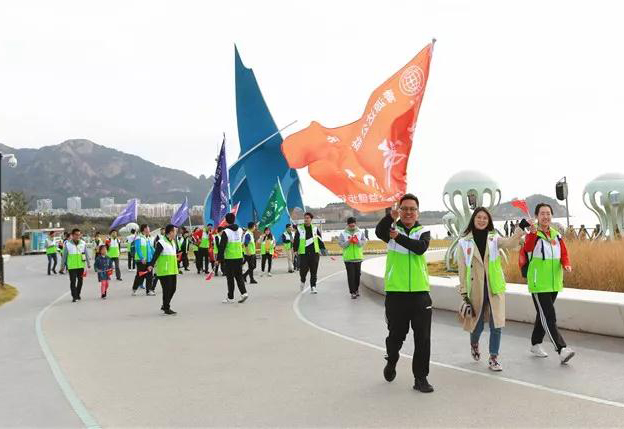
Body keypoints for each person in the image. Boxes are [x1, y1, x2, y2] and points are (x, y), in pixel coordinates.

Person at [375, 194, 433, 393]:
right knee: (395, 336)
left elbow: (419, 249)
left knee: (423, 339)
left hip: (420, 293)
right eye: (405, 209)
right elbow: (379, 231)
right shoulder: (390, 229)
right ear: (399, 211)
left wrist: (398, 237)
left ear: (418, 212)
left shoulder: (423, 231)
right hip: (396, 293)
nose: (409, 212)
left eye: (412, 209)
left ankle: (420, 378)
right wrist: (389, 218)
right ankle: (392, 360)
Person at [457, 207, 525, 372]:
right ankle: (474, 343)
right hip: (476, 289)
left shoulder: (493, 239)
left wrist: (520, 230)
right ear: (473, 219)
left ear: (489, 222)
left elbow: (510, 243)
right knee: (477, 326)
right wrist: (464, 292)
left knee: (497, 326)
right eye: (479, 217)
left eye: (485, 218)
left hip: (495, 287)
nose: (481, 220)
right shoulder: (464, 242)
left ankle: (493, 358)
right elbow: (462, 269)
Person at [523, 203, 575, 364]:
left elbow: (563, 252)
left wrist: (566, 263)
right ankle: (561, 349)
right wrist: (531, 232)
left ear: (551, 216)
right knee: (549, 316)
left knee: (543, 315)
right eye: (542, 214)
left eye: (548, 213)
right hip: (539, 283)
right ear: (537, 217)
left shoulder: (556, 235)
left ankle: (535, 344)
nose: (545, 216)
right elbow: (528, 247)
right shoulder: (533, 234)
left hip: (554, 282)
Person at [217, 213, 248, 304]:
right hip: (239, 256)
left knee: (230, 278)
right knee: (239, 276)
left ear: (226, 221)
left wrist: (219, 259)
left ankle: (230, 297)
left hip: (230, 258)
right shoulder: (240, 230)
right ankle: (244, 293)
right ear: (234, 220)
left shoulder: (225, 232)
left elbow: (222, 246)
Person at [148, 224, 179, 315]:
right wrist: (151, 265)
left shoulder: (172, 242)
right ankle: (166, 308)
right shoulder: (161, 242)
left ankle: (165, 304)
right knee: (167, 290)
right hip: (164, 270)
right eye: (175, 231)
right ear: (170, 232)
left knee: (173, 289)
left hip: (172, 270)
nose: (176, 233)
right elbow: (156, 255)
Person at [293, 213, 326, 294]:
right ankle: (302, 281)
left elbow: (319, 238)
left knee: (314, 271)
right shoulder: (300, 229)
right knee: (303, 271)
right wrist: (295, 250)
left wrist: (323, 248)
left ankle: (313, 286)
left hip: (314, 253)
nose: (306, 219)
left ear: (311, 219)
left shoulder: (315, 228)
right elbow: (296, 239)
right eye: (305, 218)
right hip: (303, 253)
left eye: (308, 218)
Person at [338, 217, 367, 299]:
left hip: (358, 257)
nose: (352, 227)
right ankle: (352, 292)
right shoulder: (343, 233)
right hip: (348, 258)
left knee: (357, 275)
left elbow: (364, 242)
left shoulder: (360, 232)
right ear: (347, 225)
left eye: (353, 225)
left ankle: (356, 289)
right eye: (350, 225)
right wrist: (349, 241)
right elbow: (340, 244)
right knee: (351, 276)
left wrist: (357, 241)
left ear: (355, 224)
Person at [59, 228, 91, 302]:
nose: (78, 236)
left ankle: (78, 294)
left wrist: (88, 263)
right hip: (72, 266)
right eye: (76, 235)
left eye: (79, 234)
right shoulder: (67, 244)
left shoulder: (83, 243)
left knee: (80, 281)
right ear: (72, 235)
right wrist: (62, 267)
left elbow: (86, 253)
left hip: (81, 265)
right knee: (73, 281)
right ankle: (74, 296)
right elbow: (64, 256)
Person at [132, 224, 156, 296]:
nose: (149, 229)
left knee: (150, 275)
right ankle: (134, 289)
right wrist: (142, 258)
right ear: (144, 229)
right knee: (140, 275)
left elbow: (151, 248)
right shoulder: (138, 237)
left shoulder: (147, 238)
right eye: (148, 228)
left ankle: (148, 291)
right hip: (140, 260)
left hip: (148, 260)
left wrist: (156, 255)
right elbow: (138, 248)